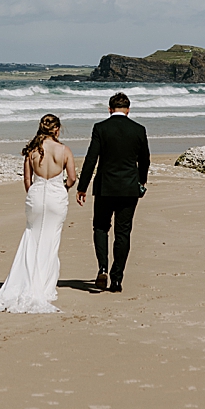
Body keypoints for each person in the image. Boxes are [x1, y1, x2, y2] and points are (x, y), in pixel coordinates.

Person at [0, 113, 76, 313]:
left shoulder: (32, 151)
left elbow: (27, 180)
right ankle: (45, 285)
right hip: (56, 197)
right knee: (51, 238)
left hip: (36, 195)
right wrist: (62, 188)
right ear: (57, 129)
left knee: (32, 235)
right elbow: (72, 178)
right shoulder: (64, 150)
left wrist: (34, 192)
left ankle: (28, 278)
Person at [76, 91, 150, 293]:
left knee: (100, 227)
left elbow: (91, 159)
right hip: (129, 188)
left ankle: (102, 268)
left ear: (110, 109)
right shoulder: (138, 129)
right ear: (128, 110)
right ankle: (117, 278)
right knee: (123, 232)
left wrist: (82, 187)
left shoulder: (100, 128)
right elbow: (144, 160)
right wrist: (141, 181)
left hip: (104, 188)